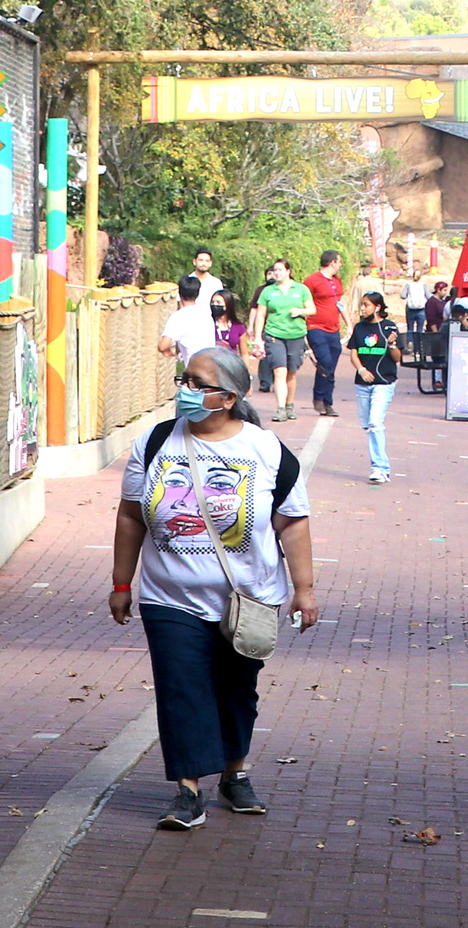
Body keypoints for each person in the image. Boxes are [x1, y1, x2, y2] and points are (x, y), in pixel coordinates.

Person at [111, 345, 318, 830]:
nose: (185, 390)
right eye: (183, 379)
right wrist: (123, 582)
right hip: (169, 595)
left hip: (248, 598)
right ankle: (187, 792)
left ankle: (233, 772)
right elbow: (129, 515)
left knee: (236, 691)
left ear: (226, 398)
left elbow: (293, 523)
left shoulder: (265, 449)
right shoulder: (157, 441)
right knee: (182, 688)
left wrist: (303, 589)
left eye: (197, 384)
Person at [347, 286, 401, 481]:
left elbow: (397, 358)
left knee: (375, 423)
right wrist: (361, 369)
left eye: (366, 305)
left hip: (384, 382)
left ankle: (380, 467)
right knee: (367, 424)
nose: (363, 309)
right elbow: (353, 351)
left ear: (377, 307)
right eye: (362, 305)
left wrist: (392, 344)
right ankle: (381, 465)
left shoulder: (389, 327)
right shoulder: (360, 328)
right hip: (362, 383)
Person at [257, 257, 315, 421]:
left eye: (280, 270)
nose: (277, 273)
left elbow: (312, 309)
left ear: (288, 271)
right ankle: (280, 408)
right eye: (275, 270)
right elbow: (261, 315)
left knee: (291, 373)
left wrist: (300, 311)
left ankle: (290, 404)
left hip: (295, 335)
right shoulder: (268, 291)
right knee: (279, 371)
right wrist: (258, 337)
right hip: (274, 334)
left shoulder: (301, 289)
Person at [304, 250, 348, 418]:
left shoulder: (337, 281)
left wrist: (349, 323)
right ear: (332, 262)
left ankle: (327, 401)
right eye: (339, 262)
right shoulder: (312, 280)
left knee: (329, 367)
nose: (340, 265)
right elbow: (304, 300)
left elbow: (340, 304)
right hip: (316, 326)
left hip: (334, 328)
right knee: (325, 361)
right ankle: (319, 397)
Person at [157, 274, 210, 371]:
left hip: (194, 370)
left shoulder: (178, 317)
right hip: (211, 366)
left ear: (179, 293)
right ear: (197, 294)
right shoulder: (206, 315)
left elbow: (162, 346)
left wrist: (167, 350)